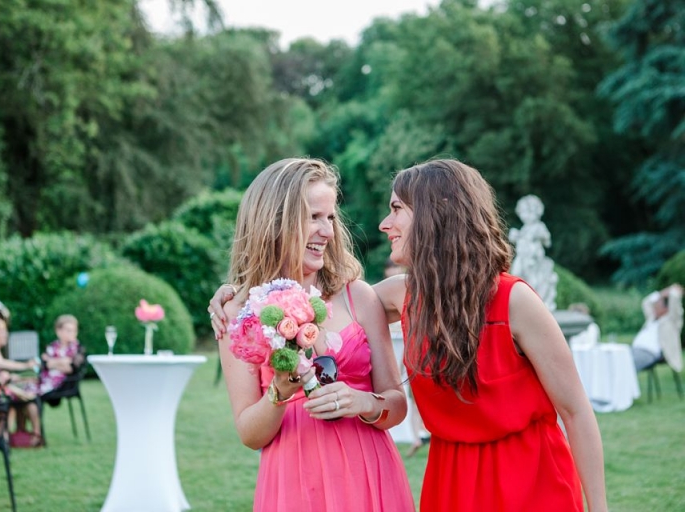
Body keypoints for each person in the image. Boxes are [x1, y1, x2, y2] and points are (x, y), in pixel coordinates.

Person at [211, 159, 608, 512]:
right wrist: (235, 296)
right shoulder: (401, 294)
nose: (384, 224)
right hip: (447, 478)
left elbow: (575, 410)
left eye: (397, 209)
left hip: (528, 476)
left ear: (436, 216)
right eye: (316, 217)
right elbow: (327, 300)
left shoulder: (513, 299)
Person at [213, 158, 414, 511]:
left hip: (367, 472)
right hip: (293, 482)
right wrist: (279, 392)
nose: (328, 231)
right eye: (313, 217)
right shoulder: (238, 314)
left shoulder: (360, 297)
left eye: (331, 218)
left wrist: (363, 402)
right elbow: (249, 432)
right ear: (275, 222)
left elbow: (396, 405)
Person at [383, 258, 428, 457]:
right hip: (395, 345)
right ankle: (417, 434)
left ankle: (419, 433)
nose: (393, 270)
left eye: (395, 267)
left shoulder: (410, 288)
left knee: (414, 391)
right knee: (404, 389)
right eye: (391, 267)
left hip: (408, 345)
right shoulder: (390, 291)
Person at [0, 318, 42, 447]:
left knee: (21, 398)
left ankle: (4, 436)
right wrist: (25, 365)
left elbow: (0, 374)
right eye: (3, 331)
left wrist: (22, 378)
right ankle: (35, 435)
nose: (5, 335)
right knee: (30, 399)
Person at [631, 284, 683, 372]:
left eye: (658, 305)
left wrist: (672, 291)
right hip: (634, 349)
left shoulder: (672, 321)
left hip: (649, 352)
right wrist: (661, 294)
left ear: (666, 308)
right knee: (618, 357)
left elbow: (675, 305)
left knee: (628, 364)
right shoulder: (651, 319)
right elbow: (646, 302)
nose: (655, 307)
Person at [39, 314, 85, 405]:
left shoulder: (78, 348)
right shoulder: (52, 347)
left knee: (33, 398)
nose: (72, 333)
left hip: (66, 385)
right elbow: (45, 365)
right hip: (46, 382)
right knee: (23, 398)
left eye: (74, 330)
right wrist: (64, 361)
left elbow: (71, 368)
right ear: (58, 331)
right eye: (68, 330)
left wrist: (52, 362)